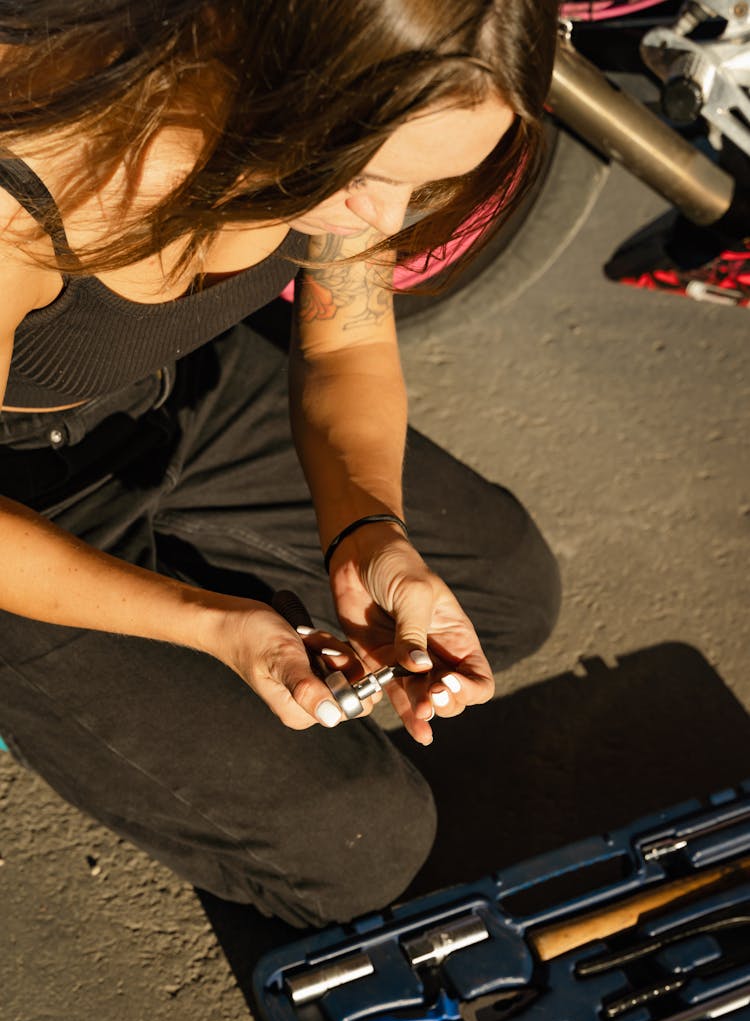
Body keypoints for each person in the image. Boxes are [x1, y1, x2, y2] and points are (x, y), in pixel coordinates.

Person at [0, 0, 561, 928]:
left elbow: (346, 349)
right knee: (360, 847)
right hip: (18, 489)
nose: (381, 217)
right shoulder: (34, 174)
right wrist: (215, 626)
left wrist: (367, 530)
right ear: (282, 73)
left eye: (418, 187)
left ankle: (151, 632)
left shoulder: (336, 115)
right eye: (368, 177)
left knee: (504, 593)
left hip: (176, 383)